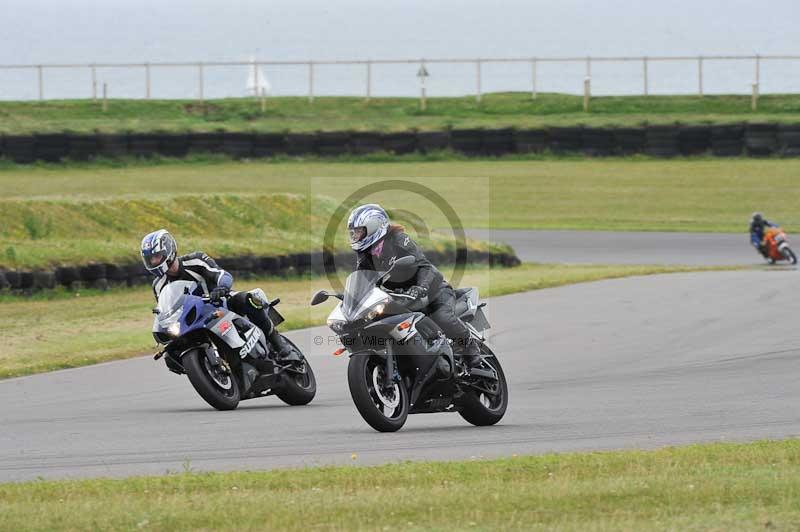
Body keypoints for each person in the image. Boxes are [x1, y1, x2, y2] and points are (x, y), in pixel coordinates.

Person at [347, 203, 481, 368]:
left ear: (374, 226)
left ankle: (470, 348)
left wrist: (421, 287)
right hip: (402, 297)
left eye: (360, 231)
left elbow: (425, 266)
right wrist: (351, 298)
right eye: (354, 233)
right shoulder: (365, 255)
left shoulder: (399, 240)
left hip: (433, 292)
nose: (356, 236)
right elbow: (362, 279)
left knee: (442, 317)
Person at [140, 229, 291, 359]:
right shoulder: (158, 285)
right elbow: (165, 309)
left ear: (169, 250)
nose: (154, 262)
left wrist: (221, 288)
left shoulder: (195, 260)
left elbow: (222, 275)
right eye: (150, 259)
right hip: (192, 320)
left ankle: (277, 341)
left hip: (221, 303)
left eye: (157, 257)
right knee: (170, 355)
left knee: (248, 299)